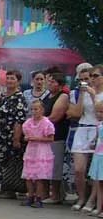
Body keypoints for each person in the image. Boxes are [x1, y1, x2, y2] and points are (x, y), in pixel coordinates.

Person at [67, 63, 100, 211]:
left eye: (90, 77)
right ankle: (81, 197)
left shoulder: (97, 93)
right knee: (79, 169)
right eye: (82, 79)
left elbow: (99, 113)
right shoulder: (78, 93)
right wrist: (81, 94)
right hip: (82, 128)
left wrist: (92, 95)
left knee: (96, 169)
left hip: (97, 129)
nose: (87, 81)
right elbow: (76, 113)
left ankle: (92, 200)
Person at [0, 70, 29, 200]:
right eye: (7, 78)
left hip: (11, 135)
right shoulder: (2, 96)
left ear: (18, 81)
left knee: (11, 162)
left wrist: (16, 139)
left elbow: (19, 120)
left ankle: (11, 189)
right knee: (1, 161)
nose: (9, 81)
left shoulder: (19, 98)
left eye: (12, 78)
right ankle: (4, 187)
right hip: (0, 134)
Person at [40, 69, 71, 204]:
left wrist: (39, 124)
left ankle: (56, 195)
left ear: (59, 84)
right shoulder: (47, 96)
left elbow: (55, 116)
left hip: (57, 135)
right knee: (46, 165)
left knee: (56, 166)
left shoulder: (62, 96)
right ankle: (45, 193)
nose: (49, 84)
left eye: (52, 82)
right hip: (44, 135)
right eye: (49, 81)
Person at [21, 99, 55, 208]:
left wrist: (37, 138)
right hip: (31, 150)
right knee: (29, 175)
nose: (34, 111)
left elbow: (51, 138)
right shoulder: (28, 123)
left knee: (39, 176)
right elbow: (25, 135)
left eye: (36, 109)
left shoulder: (46, 123)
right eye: (32, 109)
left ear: (42, 110)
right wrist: (27, 138)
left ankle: (39, 197)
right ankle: (30, 196)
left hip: (42, 151)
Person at [86, 100, 103, 218]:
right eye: (98, 112)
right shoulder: (99, 125)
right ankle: (98, 207)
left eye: (102, 112)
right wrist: (93, 143)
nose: (99, 114)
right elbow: (97, 139)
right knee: (99, 183)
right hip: (98, 155)